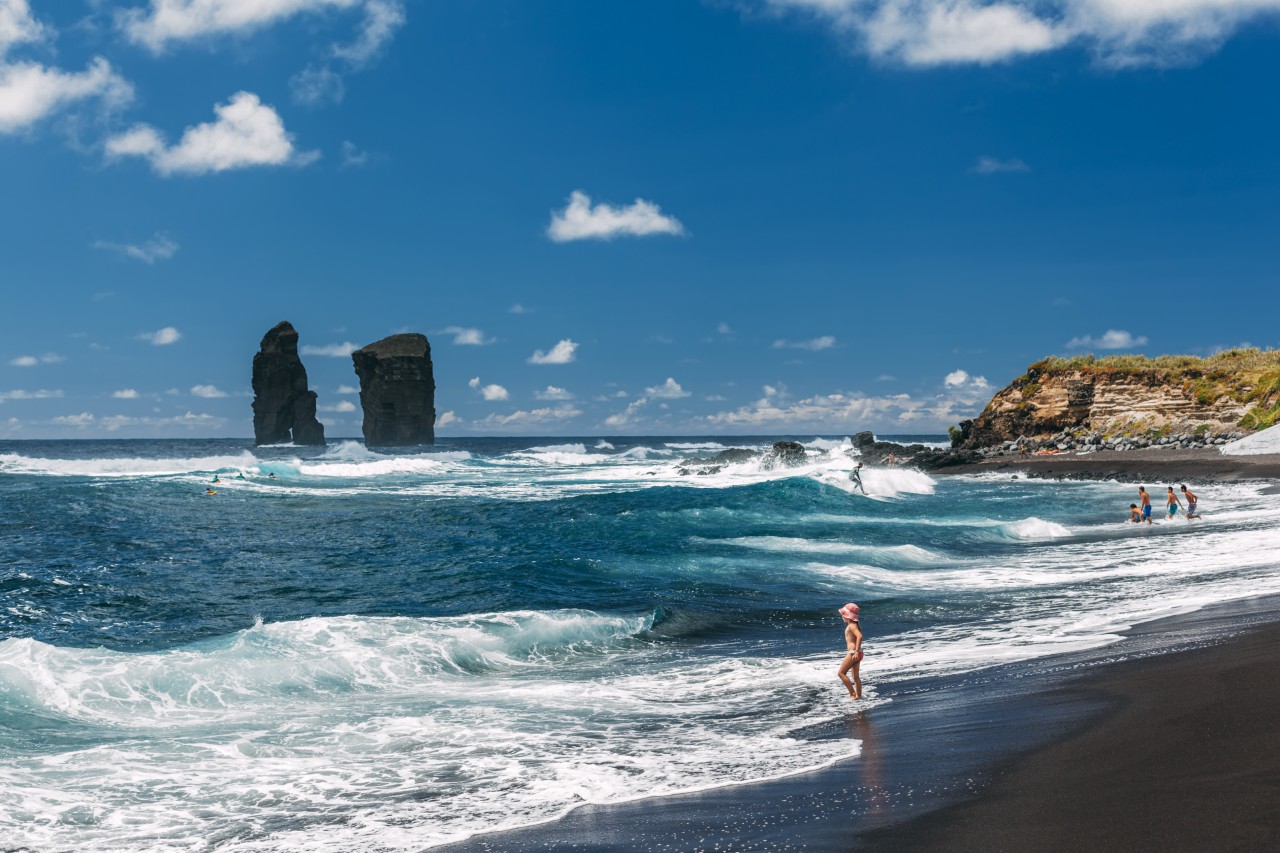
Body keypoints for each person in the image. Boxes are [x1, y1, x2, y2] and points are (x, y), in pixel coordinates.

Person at [837, 603, 864, 701]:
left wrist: (856, 652)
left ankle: (852, 694)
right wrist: (858, 651)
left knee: (841, 673)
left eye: (843, 614)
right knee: (855, 676)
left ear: (847, 616)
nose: (842, 616)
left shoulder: (852, 625)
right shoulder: (855, 624)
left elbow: (859, 636)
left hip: (854, 652)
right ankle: (859, 696)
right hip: (859, 652)